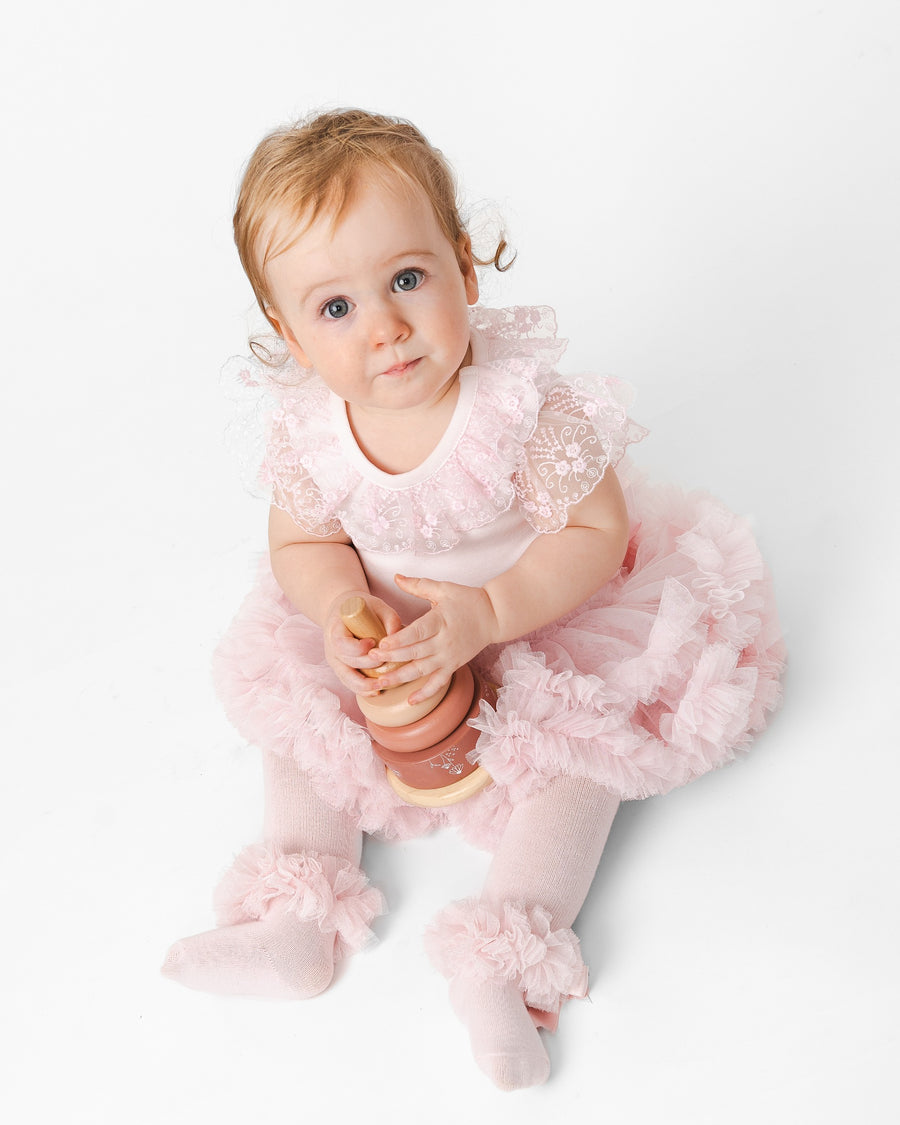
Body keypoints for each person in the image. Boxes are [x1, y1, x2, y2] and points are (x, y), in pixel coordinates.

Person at [162, 108, 785, 1091]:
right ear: (286, 334)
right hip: (399, 633)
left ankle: (502, 960)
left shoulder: (517, 413)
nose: (386, 328)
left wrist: (488, 616)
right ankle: (296, 921)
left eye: (407, 279)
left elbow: (594, 534)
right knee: (303, 720)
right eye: (336, 309)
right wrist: (336, 613)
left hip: (539, 617)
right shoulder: (314, 434)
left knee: (585, 761)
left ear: (464, 265)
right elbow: (304, 540)